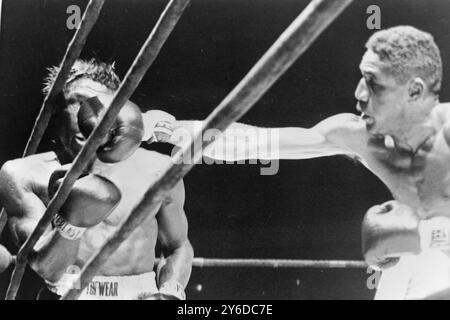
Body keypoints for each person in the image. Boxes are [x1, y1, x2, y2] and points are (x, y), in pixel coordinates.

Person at [162, 26, 450, 299]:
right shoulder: (358, 136)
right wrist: (180, 130)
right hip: (414, 259)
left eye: (375, 85)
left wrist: (431, 233)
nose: (360, 95)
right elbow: (262, 142)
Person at [0, 59, 193, 300]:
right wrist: (71, 224)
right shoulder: (23, 173)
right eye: (80, 103)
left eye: (103, 107)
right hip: (68, 293)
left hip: (141, 294)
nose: (90, 117)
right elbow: (47, 268)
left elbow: (178, 246)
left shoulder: (159, 169)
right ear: (56, 113)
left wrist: (171, 292)